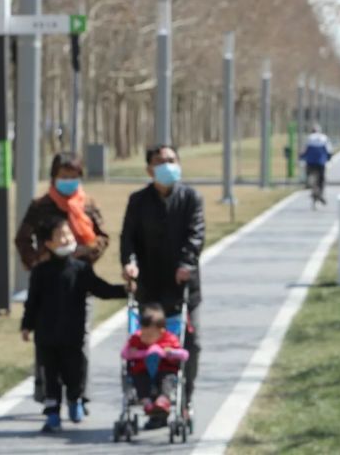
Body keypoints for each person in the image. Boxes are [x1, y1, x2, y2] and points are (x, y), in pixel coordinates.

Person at [15, 151, 110, 408]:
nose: (68, 181)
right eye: (63, 176)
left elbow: (102, 237)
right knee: (46, 342)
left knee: (81, 340)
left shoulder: (88, 204)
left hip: (78, 283)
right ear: (54, 177)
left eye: (73, 176)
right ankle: (47, 392)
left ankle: (80, 392)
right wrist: (38, 260)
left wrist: (87, 252)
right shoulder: (40, 206)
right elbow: (22, 238)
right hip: (48, 286)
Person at [120, 144, 204, 428]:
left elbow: (196, 233)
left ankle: (183, 399)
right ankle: (152, 399)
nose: (167, 165)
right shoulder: (138, 201)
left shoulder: (191, 198)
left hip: (182, 288)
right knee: (147, 345)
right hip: (149, 288)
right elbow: (128, 238)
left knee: (189, 344)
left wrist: (186, 264)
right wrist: (129, 263)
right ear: (149, 169)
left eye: (172, 160)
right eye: (161, 161)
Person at [21, 216, 127, 433]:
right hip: (47, 334)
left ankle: (74, 400)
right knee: (50, 373)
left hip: (73, 332)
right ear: (48, 244)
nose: (66, 238)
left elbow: (100, 289)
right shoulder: (40, 272)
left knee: (74, 371)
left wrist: (124, 290)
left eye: (68, 234)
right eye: (60, 235)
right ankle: (52, 412)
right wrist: (26, 325)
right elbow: (32, 302)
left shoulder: (81, 269)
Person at [121, 302, 189, 426]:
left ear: (161, 331)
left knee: (167, 379)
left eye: (150, 335)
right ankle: (146, 401)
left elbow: (184, 354)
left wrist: (170, 352)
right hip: (142, 370)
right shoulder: (136, 339)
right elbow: (124, 354)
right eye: (143, 333)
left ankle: (163, 399)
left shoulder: (169, 339)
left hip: (164, 369)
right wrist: (136, 353)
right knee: (138, 379)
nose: (146, 338)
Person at [299, 124, 333, 203]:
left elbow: (304, 150)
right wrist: (329, 159)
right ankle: (320, 193)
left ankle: (308, 183)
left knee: (308, 173)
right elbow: (329, 151)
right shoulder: (324, 138)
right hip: (321, 162)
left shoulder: (309, 138)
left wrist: (301, 157)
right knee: (322, 178)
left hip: (310, 162)